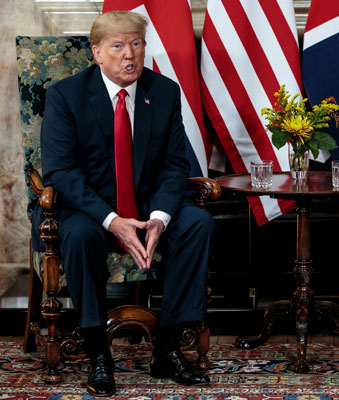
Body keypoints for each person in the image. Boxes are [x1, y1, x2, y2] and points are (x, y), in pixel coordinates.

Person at [32, 10, 214, 396]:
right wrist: (113, 220)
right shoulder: (66, 95)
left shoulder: (163, 92)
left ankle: (167, 349)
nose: (130, 55)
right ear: (97, 53)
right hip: (86, 209)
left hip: (148, 205)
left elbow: (174, 165)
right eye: (118, 46)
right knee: (80, 234)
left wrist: (160, 218)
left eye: (137, 44)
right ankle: (99, 353)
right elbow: (62, 174)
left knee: (198, 223)